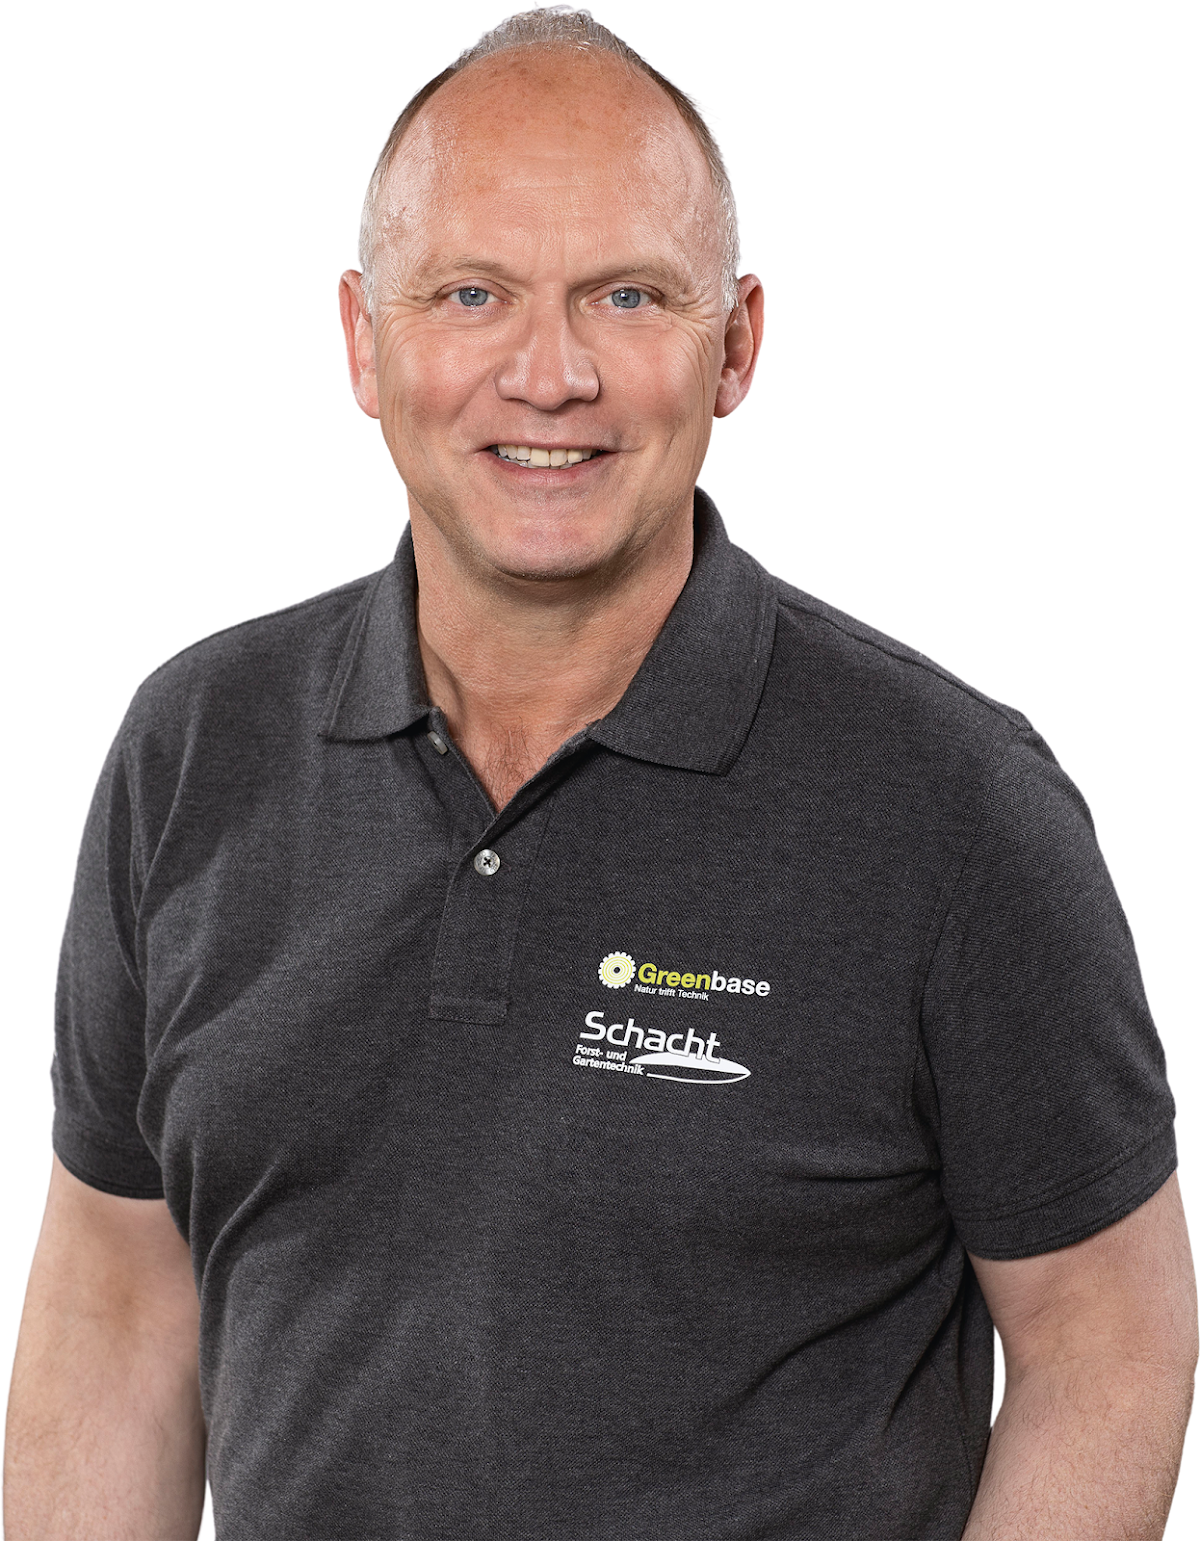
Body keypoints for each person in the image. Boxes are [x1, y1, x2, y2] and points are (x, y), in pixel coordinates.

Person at [4, 6, 1195, 1538]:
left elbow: (1107, 1335)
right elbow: (116, 1291)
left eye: (626, 296)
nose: (549, 375)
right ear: (364, 340)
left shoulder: (959, 809)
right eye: (473, 294)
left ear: (736, 344)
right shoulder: (188, 748)